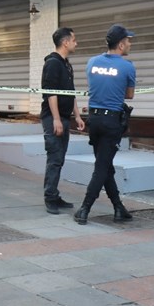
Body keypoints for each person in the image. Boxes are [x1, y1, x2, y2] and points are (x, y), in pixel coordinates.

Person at [75, 24, 136, 226]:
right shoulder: (127, 66)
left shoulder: (92, 62)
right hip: (112, 122)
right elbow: (129, 95)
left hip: (94, 120)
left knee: (105, 164)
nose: (130, 43)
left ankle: (119, 208)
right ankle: (85, 208)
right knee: (102, 167)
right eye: (128, 40)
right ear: (120, 44)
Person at [41, 28, 86, 214]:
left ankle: (54, 194)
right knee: (54, 158)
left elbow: (70, 92)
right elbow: (50, 93)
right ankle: (50, 198)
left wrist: (77, 115)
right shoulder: (52, 63)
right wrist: (57, 119)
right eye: (74, 39)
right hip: (53, 118)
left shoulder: (66, 64)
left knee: (59, 159)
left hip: (65, 117)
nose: (77, 43)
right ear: (65, 42)